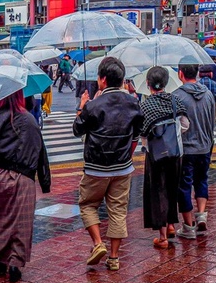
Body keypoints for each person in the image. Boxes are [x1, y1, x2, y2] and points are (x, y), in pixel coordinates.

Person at [72, 56, 144, 271]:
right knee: (118, 210)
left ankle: (97, 243)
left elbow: (78, 129)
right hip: (122, 166)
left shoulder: (94, 105)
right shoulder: (133, 102)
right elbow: (136, 134)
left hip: (96, 166)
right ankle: (114, 258)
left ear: (102, 80)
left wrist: (82, 107)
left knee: (88, 205)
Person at [0, 89, 51, 283]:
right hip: (25, 178)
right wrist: (45, 181)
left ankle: (0, 260)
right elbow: (40, 151)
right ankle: (15, 263)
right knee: (21, 224)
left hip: (0, 176)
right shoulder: (29, 120)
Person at [171, 58, 216, 238]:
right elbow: (212, 122)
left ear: (180, 73)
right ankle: (202, 214)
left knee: (184, 186)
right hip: (205, 146)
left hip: (185, 149)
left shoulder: (176, 96)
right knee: (201, 180)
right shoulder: (208, 94)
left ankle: (188, 226)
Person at [140, 66, 184, 249]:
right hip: (175, 152)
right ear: (166, 83)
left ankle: (163, 236)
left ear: (148, 83)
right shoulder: (175, 101)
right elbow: (185, 124)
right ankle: (172, 224)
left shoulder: (145, 105)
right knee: (172, 188)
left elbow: (141, 132)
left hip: (155, 154)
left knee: (158, 191)